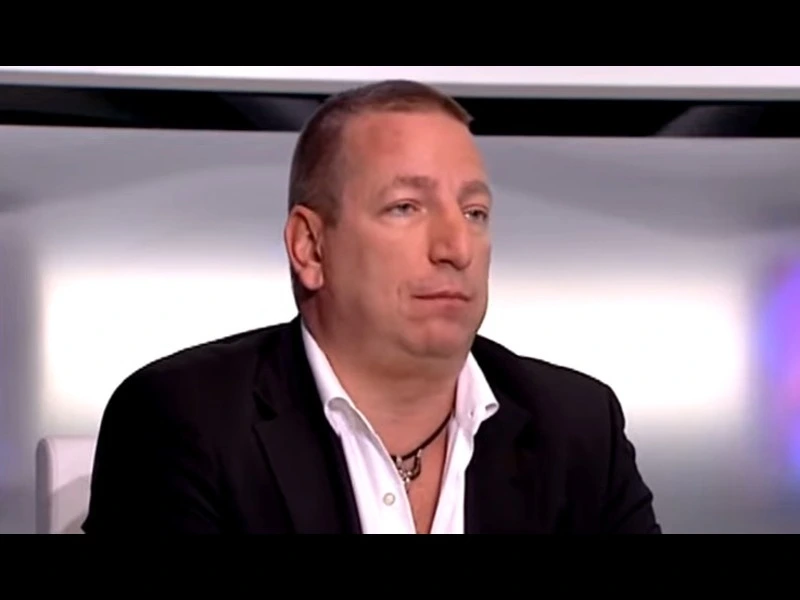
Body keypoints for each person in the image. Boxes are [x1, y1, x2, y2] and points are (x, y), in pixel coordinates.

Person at [82, 79, 661, 534]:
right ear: (311, 248)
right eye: (405, 207)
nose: (456, 248)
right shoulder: (185, 421)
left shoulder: (577, 427)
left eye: (475, 213)